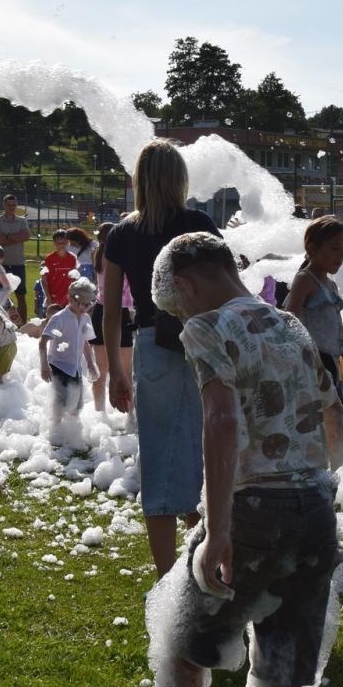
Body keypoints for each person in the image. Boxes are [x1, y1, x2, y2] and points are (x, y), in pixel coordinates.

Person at [149, 231, 343, 687]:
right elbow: (335, 421)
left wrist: (219, 530)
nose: (181, 319)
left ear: (184, 286)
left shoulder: (207, 327)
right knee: (282, 673)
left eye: (176, 309)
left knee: (184, 653)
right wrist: (317, 481)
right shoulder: (290, 324)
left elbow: (221, 420)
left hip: (254, 512)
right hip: (315, 509)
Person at [101, 140, 221, 575]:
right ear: (178, 178)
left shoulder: (122, 234)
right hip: (200, 342)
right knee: (207, 454)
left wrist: (116, 370)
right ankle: (206, 566)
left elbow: (111, 311)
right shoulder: (197, 225)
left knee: (160, 458)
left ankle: (169, 576)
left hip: (151, 344)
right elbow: (225, 289)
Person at [284, 216, 343, 430]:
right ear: (312, 249)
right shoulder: (305, 279)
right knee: (315, 429)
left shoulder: (330, 285)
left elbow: (335, 336)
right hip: (310, 366)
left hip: (331, 367)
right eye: (334, 248)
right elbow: (288, 323)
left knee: (332, 431)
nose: (341, 254)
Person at [38, 278, 100, 429]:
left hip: (75, 368)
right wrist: (44, 366)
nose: (85, 308)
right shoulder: (59, 318)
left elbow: (84, 341)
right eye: (82, 304)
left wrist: (91, 363)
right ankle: (55, 432)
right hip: (59, 366)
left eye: (89, 304)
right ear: (70, 298)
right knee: (60, 404)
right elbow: (42, 342)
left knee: (77, 405)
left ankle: (72, 433)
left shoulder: (85, 318)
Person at [90, 222, 133, 391]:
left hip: (100, 310)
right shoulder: (120, 257)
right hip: (120, 311)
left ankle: (98, 407)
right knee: (126, 372)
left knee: (100, 373)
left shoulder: (97, 254)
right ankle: (129, 409)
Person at [0, 195, 32, 322]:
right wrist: (16, 237)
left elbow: (26, 236)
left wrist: (6, 236)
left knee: (21, 296)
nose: (12, 208)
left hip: (18, 264)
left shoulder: (22, 220)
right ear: (4, 205)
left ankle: (23, 325)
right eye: (9, 205)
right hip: (0, 266)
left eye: (14, 205)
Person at [40, 229, 78, 317]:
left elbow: (74, 278)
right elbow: (44, 280)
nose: (61, 245)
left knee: (67, 320)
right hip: (53, 297)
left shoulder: (72, 258)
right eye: (58, 243)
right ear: (54, 243)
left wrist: (71, 295)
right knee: (52, 320)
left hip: (67, 297)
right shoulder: (49, 259)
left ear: (68, 242)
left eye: (63, 242)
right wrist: (48, 297)